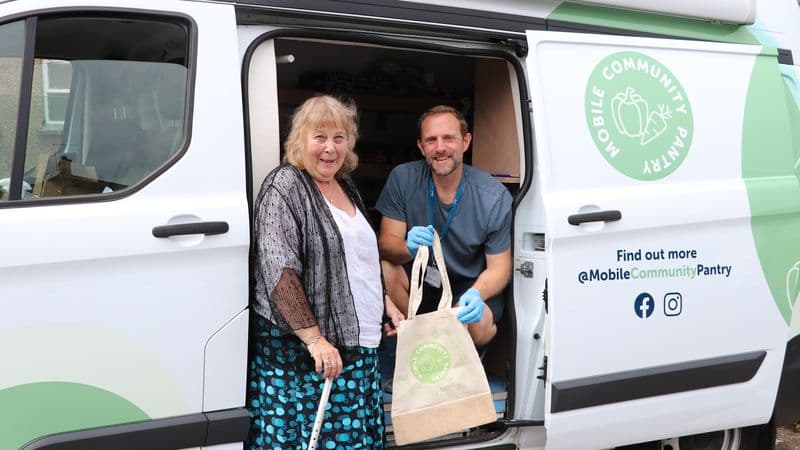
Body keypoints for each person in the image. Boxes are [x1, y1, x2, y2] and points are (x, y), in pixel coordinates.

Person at [247, 95, 404, 450]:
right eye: (320, 137)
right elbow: (278, 271)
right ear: (300, 140)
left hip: (358, 347)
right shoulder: (284, 186)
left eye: (339, 137)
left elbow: (357, 259)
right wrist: (315, 339)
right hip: (309, 359)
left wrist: (386, 303)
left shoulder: (345, 184)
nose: (330, 148)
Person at [376, 105, 512, 347]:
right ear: (421, 146)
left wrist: (476, 294)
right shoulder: (403, 178)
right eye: (431, 140)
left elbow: (500, 269)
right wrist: (407, 247)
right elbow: (386, 244)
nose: (440, 148)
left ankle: (464, 356)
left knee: (477, 322)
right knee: (386, 269)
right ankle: (421, 343)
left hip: (468, 285)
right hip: (422, 280)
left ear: (465, 141)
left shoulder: (493, 196)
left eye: (449, 138)